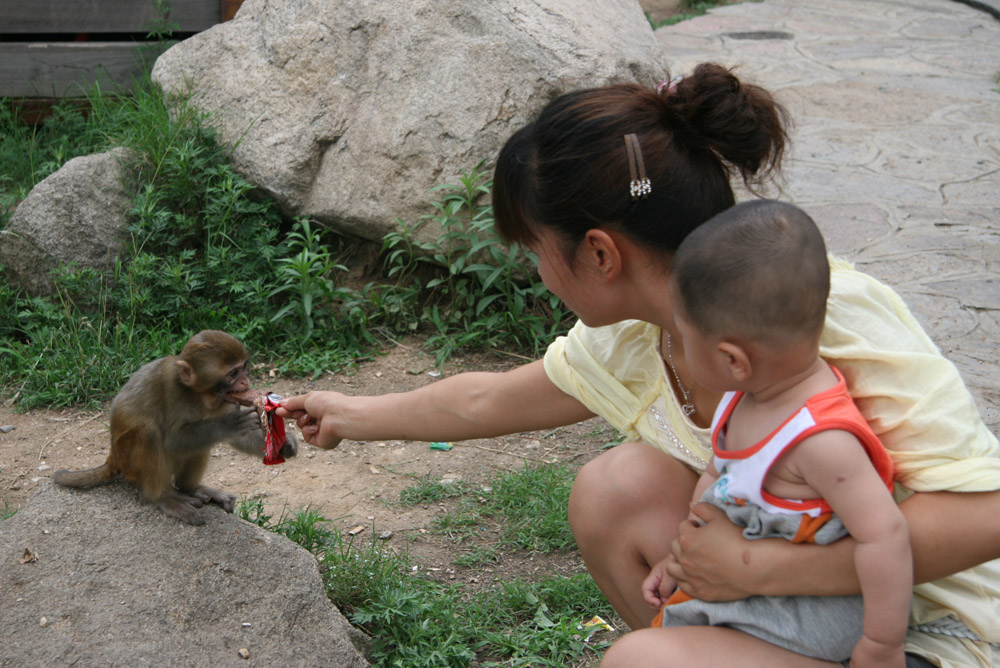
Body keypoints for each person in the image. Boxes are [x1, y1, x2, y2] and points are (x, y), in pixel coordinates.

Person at [278, 63, 1000, 667]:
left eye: (535, 250)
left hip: (922, 629)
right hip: (804, 614)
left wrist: (758, 570)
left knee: (640, 661)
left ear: (599, 253)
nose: (537, 273)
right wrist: (348, 413)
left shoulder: (818, 316)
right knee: (616, 487)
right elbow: (488, 401)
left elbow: (987, 517)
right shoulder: (637, 334)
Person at [626, 199, 912, 667]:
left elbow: (887, 538)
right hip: (751, 599)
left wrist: (881, 646)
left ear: (733, 359)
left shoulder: (821, 442)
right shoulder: (745, 398)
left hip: (805, 620)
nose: (677, 346)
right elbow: (715, 490)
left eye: (685, 336)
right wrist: (680, 561)